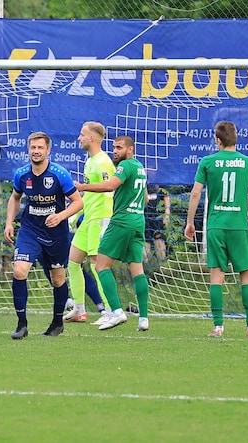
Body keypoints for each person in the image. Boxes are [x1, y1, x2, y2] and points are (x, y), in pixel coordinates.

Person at [184, 121, 248, 339]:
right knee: (247, 274)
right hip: (238, 225)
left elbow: (195, 193)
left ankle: (217, 327)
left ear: (218, 140)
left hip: (215, 225)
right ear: (236, 138)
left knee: (216, 276)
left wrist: (190, 222)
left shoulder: (207, 162)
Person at [4, 131, 83, 339]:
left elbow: (78, 202)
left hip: (56, 234)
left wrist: (60, 216)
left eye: (40, 148)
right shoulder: (22, 174)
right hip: (30, 230)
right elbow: (15, 198)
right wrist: (9, 223)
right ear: (28, 149)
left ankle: (57, 323)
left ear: (48, 150)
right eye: (33, 147)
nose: (36, 151)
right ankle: (22, 324)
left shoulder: (59, 174)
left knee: (58, 280)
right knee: (20, 270)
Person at [76, 135, 150, 331]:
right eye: (114, 147)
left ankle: (116, 312)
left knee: (101, 266)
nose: (115, 151)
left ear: (130, 149)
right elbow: (146, 199)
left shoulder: (124, 167)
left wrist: (83, 187)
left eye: (119, 147)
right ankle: (143, 318)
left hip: (121, 220)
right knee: (137, 268)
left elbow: (110, 185)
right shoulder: (140, 168)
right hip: (138, 221)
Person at [64, 121, 115, 325]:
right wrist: (74, 217)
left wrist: (83, 186)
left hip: (100, 219)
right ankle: (79, 309)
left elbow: (109, 188)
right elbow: (88, 195)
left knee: (97, 265)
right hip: (88, 220)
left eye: (82, 134)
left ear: (91, 138)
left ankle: (112, 310)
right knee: (73, 262)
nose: (79, 138)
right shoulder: (90, 161)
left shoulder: (103, 162)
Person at [144, 184, 171, 264]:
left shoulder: (160, 179)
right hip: (145, 217)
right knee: (146, 241)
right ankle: (145, 264)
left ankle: (163, 264)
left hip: (158, 217)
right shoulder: (143, 178)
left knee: (159, 239)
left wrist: (167, 214)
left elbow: (166, 197)